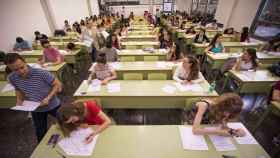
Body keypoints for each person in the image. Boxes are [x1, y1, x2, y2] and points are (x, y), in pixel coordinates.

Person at [4, 53, 62, 142]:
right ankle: (42, 150)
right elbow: (18, 89)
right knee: (40, 131)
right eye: (15, 70)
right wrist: (19, 99)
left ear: (25, 62)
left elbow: (57, 84)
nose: (20, 71)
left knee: (65, 122)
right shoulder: (12, 77)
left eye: (22, 67)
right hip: (36, 108)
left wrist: (48, 97)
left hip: (53, 104)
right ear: (10, 69)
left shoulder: (41, 72)